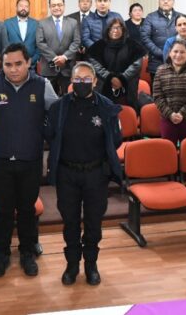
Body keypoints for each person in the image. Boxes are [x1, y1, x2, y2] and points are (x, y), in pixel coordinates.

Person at [0, 43, 59, 278]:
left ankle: (27, 253)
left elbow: (59, 112)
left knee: (27, 210)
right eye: (8, 64)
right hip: (0, 160)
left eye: (18, 64)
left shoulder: (43, 85)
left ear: (29, 62)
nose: (13, 69)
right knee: (3, 211)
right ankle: (2, 254)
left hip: (30, 160)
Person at [46, 62, 121, 286]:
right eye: (78, 79)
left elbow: (115, 140)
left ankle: (91, 265)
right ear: (71, 81)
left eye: (87, 79)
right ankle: (72, 265)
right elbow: (50, 136)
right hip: (67, 174)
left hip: (96, 174)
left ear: (95, 81)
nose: (82, 83)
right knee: (70, 222)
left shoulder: (107, 107)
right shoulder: (58, 108)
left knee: (93, 222)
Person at [153, 39, 186, 146]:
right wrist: (170, 114)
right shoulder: (160, 70)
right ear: (170, 53)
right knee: (167, 151)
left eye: (182, 52)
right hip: (168, 119)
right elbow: (157, 97)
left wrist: (182, 114)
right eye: (175, 51)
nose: (178, 55)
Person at [87, 19, 145, 107]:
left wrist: (122, 79)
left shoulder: (133, 45)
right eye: (112, 28)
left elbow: (136, 65)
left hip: (127, 88)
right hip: (103, 86)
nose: (115, 30)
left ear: (123, 29)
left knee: (127, 112)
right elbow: (95, 65)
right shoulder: (98, 46)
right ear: (107, 30)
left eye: (118, 27)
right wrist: (110, 78)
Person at [36, 0, 81, 95]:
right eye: (53, 5)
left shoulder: (73, 22)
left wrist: (64, 57)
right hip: (48, 68)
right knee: (49, 98)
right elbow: (40, 43)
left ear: (64, 6)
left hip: (67, 68)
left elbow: (76, 42)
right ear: (50, 7)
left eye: (59, 5)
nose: (57, 7)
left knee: (69, 97)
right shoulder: (42, 23)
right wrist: (55, 59)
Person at [140, 0, 183, 81]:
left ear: (173, 1)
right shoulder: (151, 17)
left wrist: (175, 54)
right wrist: (162, 53)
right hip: (156, 63)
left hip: (178, 62)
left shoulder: (180, 17)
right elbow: (144, 37)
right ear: (159, 1)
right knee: (157, 90)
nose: (165, 1)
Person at [3, 0, 40, 68]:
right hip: (12, 65)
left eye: (26, 6)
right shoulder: (7, 23)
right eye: (21, 6)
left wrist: (32, 60)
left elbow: (39, 45)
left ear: (29, 8)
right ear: (16, 7)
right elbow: (5, 44)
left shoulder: (36, 24)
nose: (23, 8)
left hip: (31, 65)